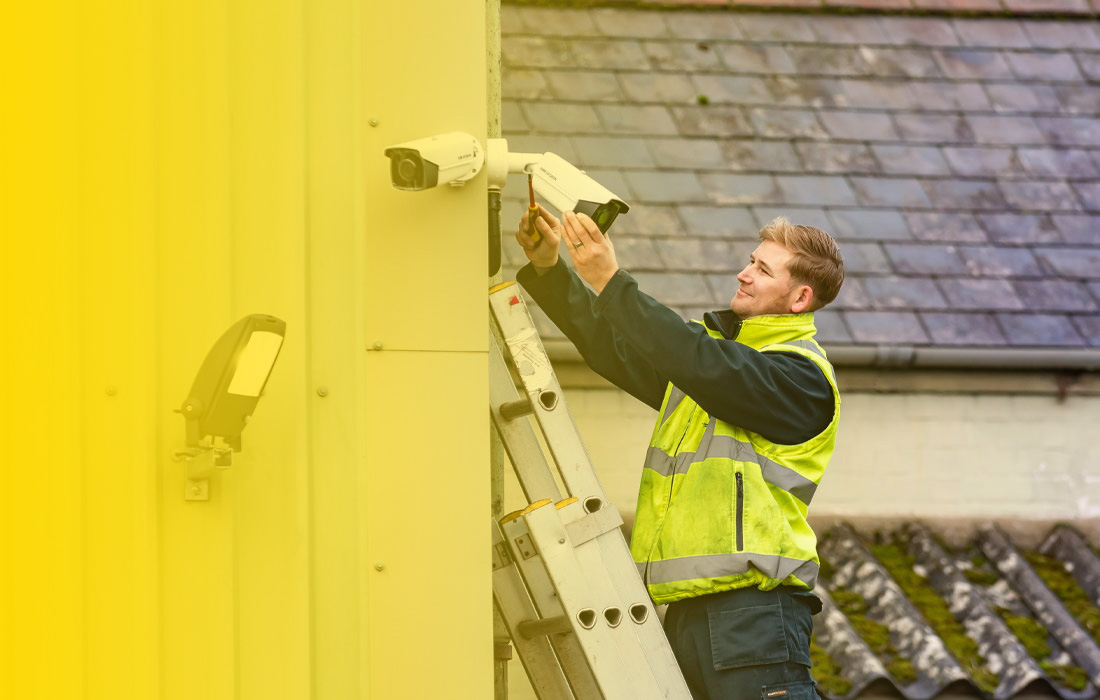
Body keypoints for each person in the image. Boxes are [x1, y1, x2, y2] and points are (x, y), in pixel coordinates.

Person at [514, 207, 845, 700]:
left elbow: (700, 361)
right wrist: (549, 269)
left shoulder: (799, 379)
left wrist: (610, 280)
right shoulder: (714, 366)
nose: (744, 273)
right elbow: (617, 349)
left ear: (800, 298)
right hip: (686, 615)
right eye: (751, 261)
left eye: (762, 269)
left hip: (751, 616)